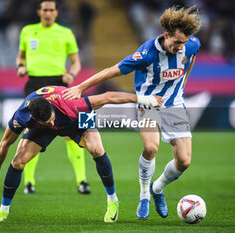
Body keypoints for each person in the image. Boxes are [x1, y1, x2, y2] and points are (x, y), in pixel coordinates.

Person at [62, 6, 202, 220]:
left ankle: (157, 189)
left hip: (174, 106)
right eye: (177, 43)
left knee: (184, 161)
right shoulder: (145, 54)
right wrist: (81, 87)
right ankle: (144, 194)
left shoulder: (191, 45)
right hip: (148, 105)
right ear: (166, 35)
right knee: (151, 147)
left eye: (183, 43)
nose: (180, 47)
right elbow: (111, 70)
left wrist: (181, 86)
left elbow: (189, 62)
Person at [0, 86, 162, 223]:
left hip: (75, 119)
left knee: (97, 150)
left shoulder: (72, 105)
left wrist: (143, 99)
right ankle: (3, 210)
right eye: (49, 120)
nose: (53, 120)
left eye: (52, 117)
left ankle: (112, 200)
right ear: (34, 118)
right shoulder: (22, 116)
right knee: (18, 162)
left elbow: (108, 96)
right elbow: (4, 144)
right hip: (43, 129)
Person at [16, 0, 90, 195]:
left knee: (70, 132)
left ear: (56, 12)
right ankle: (29, 182)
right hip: (34, 85)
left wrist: (71, 75)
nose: (48, 13)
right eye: (45, 10)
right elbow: (20, 57)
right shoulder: (28, 31)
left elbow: (76, 63)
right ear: (39, 11)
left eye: (51, 10)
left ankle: (82, 181)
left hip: (58, 85)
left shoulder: (65, 33)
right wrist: (20, 66)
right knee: (31, 132)